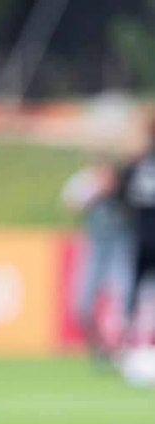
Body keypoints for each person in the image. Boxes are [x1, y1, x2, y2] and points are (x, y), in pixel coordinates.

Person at [61, 153, 129, 359]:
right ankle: (95, 343)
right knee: (83, 298)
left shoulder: (123, 186)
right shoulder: (86, 184)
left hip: (120, 245)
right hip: (96, 245)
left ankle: (121, 342)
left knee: (122, 294)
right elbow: (71, 206)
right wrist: (96, 195)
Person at [119, 114, 155, 344]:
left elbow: (122, 198)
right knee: (133, 289)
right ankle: (130, 340)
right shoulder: (136, 165)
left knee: (134, 289)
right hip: (140, 237)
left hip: (140, 237)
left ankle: (129, 340)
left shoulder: (136, 166)